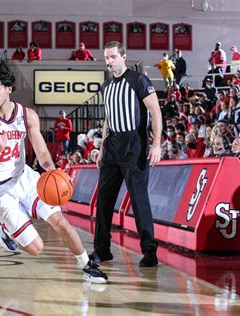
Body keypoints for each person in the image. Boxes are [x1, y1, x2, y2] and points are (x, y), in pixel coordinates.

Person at [0, 60, 107, 283]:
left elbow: (43, 155)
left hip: (23, 177)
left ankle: (87, 266)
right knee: (36, 248)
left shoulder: (28, 116)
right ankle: (2, 224)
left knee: (60, 221)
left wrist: (53, 172)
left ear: (8, 88)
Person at [92, 41, 162, 267]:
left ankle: (149, 251)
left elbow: (155, 111)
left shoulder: (138, 80)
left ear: (124, 57)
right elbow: (107, 118)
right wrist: (102, 147)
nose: (109, 62)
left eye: (113, 57)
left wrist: (157, 144)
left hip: (135, 143)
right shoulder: (106, 86)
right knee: (103, 199)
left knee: (139, 200)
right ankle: (102, 249)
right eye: (106, 58)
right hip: (112, 144)